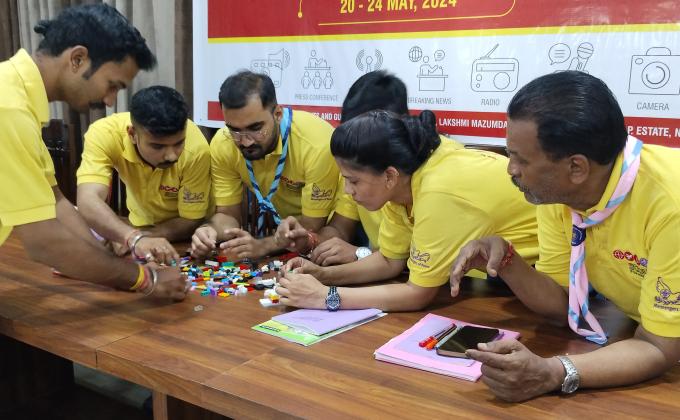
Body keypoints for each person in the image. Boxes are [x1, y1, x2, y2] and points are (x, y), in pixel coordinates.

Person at [448, 71, 680, 402]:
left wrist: (554, 372)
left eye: (521, 159)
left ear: (576, 168)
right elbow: (563, 305)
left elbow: (659, 347)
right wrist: (507, 261)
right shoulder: (559, 192)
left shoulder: (669, 206)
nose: (511, 169)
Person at [0, 4, 187, 300]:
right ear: (77, 59)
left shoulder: (17, 98)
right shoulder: (8, 109)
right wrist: (145, 279)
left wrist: (104, 259)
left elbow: (57, 202)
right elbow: (43, 242)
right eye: (112, 85)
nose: (110, 101)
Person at [277, 110, 538, 312]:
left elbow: (417, 294)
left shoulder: (438, 190)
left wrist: (325, 296)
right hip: (502, 282)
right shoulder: (403, 179)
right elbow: (390, 261)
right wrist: (323, 275)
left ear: (389, 176)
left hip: (539, 285)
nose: (348, 191)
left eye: (353, 180)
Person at [279, 70, 464, 266]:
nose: (349, 189)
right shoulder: (355, 165)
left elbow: (422, 257)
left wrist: (360, 253)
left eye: (362, 136)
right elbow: (340, 229)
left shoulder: (435, 174)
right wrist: (308, 241)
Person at [190, 70, 338, 259]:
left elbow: (312, 226)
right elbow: (228, 215)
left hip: (327, 235)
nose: (246, 142)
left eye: (255, 129)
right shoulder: (223, 144)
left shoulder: (315, 144)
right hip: (280, 238)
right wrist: (209, 230)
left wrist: (263, 246)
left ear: (277, 114)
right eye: (235, 130)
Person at [77, 86, 211, 265]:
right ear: (132, 134)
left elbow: (191, 220)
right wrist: (132, 237)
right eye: (158, 146)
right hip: (137, 230)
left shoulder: (196, 150)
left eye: (179, 143)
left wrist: (135, 237)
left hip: (187, 240)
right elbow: (88, 199)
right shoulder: (104, 134)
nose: (171, 156)